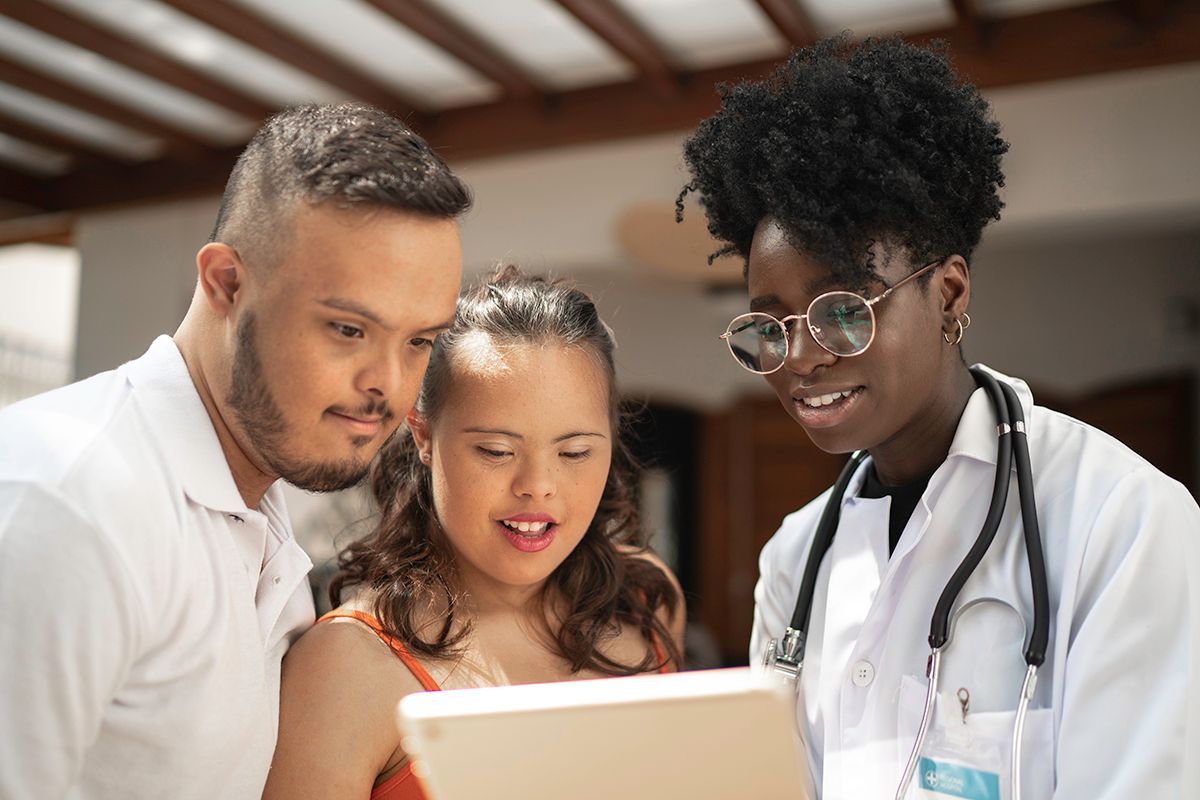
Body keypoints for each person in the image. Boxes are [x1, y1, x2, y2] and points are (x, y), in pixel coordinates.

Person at [678, 36, 1200, 799]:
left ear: (950, 294)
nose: (802, 358)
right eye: (770, 325)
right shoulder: (795, 559)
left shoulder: (1120, 523)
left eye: (845, 312)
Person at [0, 102, 471, 799]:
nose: (389, 385)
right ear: (225, 283)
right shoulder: (68, 507)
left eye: (419, 341)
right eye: (348, 329)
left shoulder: (257, 509)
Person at [263, 266, 685, 800]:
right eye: (496, 451)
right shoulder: (345, 666)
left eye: (575, 452)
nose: (538, 486)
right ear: (423, 437)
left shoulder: (644, 601)